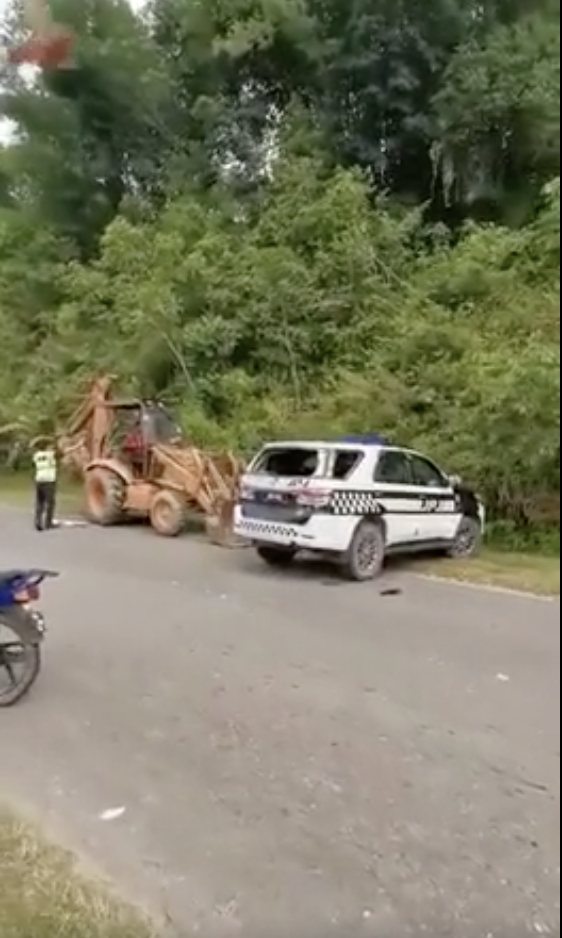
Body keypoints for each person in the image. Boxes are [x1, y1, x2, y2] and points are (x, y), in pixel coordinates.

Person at [32, 438, 58, 531]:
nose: (51, 447)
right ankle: (48, 522)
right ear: (46, 447)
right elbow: (65, 451)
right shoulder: (51, 455)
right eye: (50, 446)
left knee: (40, 502)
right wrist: (78, 445)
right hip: (49, 480)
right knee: (50, 502)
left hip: (39, 479)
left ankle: (38, 521)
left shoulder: (36, 456)